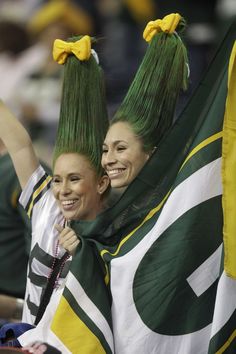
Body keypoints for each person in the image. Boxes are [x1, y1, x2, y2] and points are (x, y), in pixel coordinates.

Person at [48, 14, 236, 354]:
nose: (108, 159)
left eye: (121, 149)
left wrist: (85, 254)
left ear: (153, 154)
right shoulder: (111, 213)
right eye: (105, 150)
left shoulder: (178, 202)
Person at [0, 33, 109, 350]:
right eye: (58, 179)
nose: (62, 190)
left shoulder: (111, 230)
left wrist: (83, 254)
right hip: (28, 338)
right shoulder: (45, 206)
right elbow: (20, 144)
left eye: (74, 179)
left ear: (101, 182)